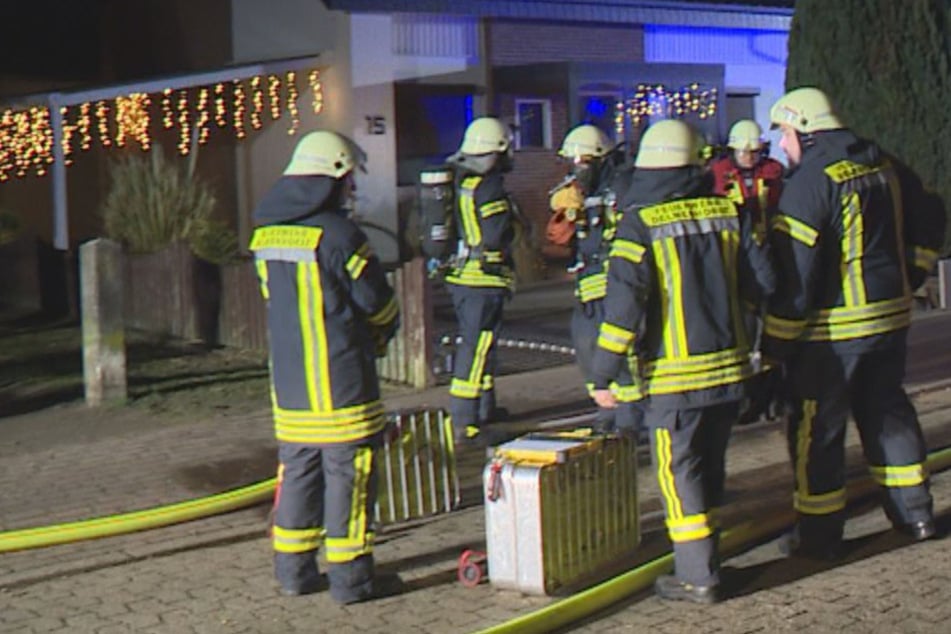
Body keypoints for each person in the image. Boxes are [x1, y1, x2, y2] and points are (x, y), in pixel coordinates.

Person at [589, 119, 775, 603]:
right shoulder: (730, 212)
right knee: (710, 466)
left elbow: (624, 309)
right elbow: (763, 284)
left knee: (679, 475)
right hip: (730, 372)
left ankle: (697, 577)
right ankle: (709, 559)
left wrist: (602, 372)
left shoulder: (639, 223)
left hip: (673, 381)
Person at [762, 87, 946, 558]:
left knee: (818, 431)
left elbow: (797, 276)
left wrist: (776, 343)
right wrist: (913, 271)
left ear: (805, 130)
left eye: (785, 133)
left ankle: (819, 537)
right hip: (890, 322)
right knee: (888, 414)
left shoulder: (811, 182)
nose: (782, 144)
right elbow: (932, 213)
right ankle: (916, 515)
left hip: (832, 335)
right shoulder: (882, 163)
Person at [249, 130, 400, 602]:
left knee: (298, 476)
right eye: (348, 179)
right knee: (349, 480)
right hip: (343, 386)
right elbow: (378, 304)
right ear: (331, 180)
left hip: (291, 391)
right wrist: (380, 335)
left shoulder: (265, 237)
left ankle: (293, 573)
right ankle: (351, 581)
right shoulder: (341, 236)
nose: (351, 189)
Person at [550, 123, 645, 437]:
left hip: (615, 282)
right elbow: (566, 244)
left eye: (584, 162)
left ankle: (631, 417)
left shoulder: (621, 186)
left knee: (622, 350)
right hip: (588, 285)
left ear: (602, 159)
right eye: (573, 162)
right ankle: (608, 410)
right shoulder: (578, 192)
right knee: (587, 345)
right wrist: (565, 220)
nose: (577, 168)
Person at [443, 116, 517, 446]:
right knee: (476, 348)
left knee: (481, 345)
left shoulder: (462, 181)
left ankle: (485, 408)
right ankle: (466, 420)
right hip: (483, 280)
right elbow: (498, 234)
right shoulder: (489, 187)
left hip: (462, 277)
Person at [711, 119, 786, 425]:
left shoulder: (774, 173)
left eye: (754, 152)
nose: (748, 157)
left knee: (773, 329)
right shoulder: (718, 175)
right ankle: (747, 398)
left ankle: (772, 395)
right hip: (736, 259)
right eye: (743, 152)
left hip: (772, 254)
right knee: (742, 328)